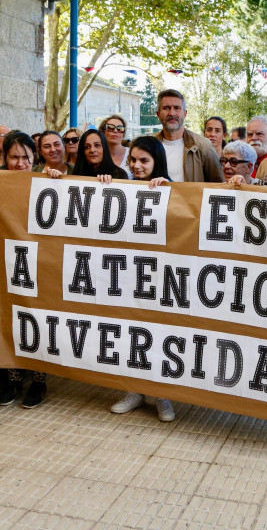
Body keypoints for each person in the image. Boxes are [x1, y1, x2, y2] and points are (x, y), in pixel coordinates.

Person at [101, 135, 175, 422]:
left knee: (159, 335)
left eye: (144, 160)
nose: (137, 165)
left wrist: (171, 192)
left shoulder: (171, 187)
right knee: (130, 332)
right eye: (133, 159)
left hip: (160, 277)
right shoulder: (122, 184)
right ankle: (133, 390)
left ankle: (163, 395)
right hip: (129, 275)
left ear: (158, 162)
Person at [0, 132, 49, 408]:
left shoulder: (47, 182)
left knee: (39, 317)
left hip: (41, 263)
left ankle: (40, 381)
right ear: (5, 158)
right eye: (14, 157)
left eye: (25, 157)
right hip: (8, 262)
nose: (20, 163)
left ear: (35, 157)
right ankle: (13, 377)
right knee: (10, 316)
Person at [153, 89, 222, 182]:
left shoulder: (204, 146)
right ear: (158, 114)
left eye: (177, 108)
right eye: (166, 108)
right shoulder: (149, 145)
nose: (172, 113)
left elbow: (218, 185)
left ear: (185, 114)